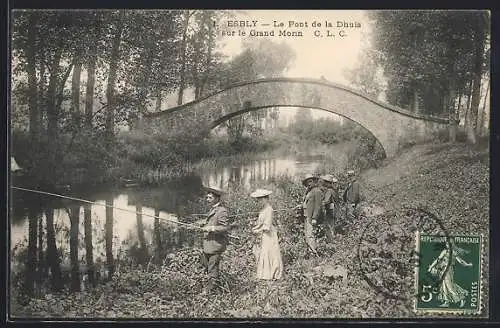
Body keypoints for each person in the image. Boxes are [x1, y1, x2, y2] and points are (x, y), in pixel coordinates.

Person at [199, 185, 230, 294]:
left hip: (215, 245)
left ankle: (208, 292)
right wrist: (203, 223)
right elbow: (212, 221)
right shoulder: (213, 209)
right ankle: (215, 289)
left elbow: (224, 227)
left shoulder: (222, 211)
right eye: (207, 197)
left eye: (210, 198)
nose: (207, 200)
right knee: (207, 267)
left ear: (217, 198)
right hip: (208, 245)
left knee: (212, 269)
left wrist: (211, 228)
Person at [427, 239, 473, 308]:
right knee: (443, 286)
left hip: (448, 270)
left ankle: (462, 298)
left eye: (448, 244)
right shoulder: (444, 251)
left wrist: (467, 265)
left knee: (449, 286)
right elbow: (438, 260)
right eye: (446, 244)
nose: (447, 245)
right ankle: (446, 302)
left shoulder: (454, 252)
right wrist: (431, 267)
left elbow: (460, 261)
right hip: (442, 270)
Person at [250, 188, 283, 281]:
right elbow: (261, 223)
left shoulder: (269, 210)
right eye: (258, 199)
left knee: (269, 252)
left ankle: (273, 274)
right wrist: (256, 227)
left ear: (265, 199)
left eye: (260, 199)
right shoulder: (263, 209)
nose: (258, 201)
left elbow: (267, 226)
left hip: (269, 234)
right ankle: (265, 274)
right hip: (264, 234)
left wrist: (257, 230)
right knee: (264, 252)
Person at [296, 174, 323, 255]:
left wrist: (315, 218)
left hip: (311, 216)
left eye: (310, 181)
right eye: (307, 182)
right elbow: (307, 203)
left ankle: (314, 253)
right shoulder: (308, 191)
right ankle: (310, 251)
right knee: (307, 234)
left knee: (310, 234)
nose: (309, 183)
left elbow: (318, 206)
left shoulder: (317, 191)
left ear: (314, 181)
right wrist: (301, 205)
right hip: (306, 215)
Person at [319, 174, 338, 242]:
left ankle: (330, 241)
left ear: (327, 182)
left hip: (330, 211)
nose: (323, 182)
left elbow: (326, 201)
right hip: (334, 210)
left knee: (329, 226)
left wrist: (320, 203)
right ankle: (332, 239)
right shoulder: (333, 190)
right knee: (332, 226)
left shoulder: (329, 191)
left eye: (324, 181)